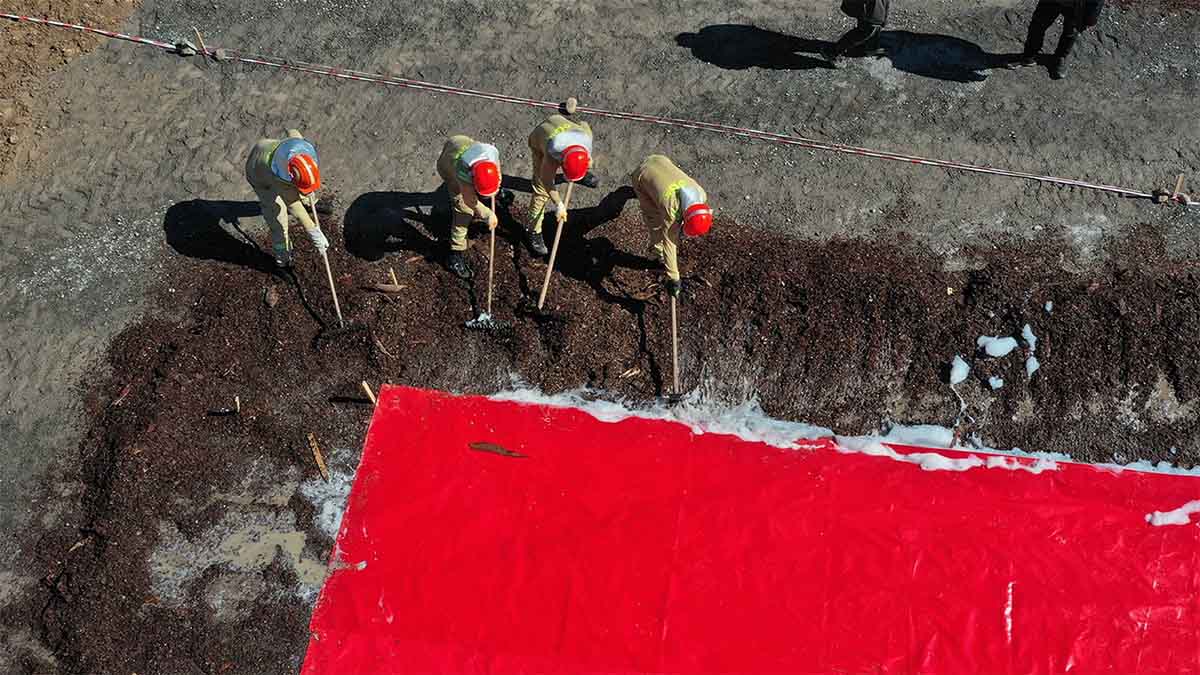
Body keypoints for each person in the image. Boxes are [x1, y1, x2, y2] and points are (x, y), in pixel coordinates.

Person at [630, 155, 713, 297]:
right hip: (641, 174)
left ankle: (653, 185)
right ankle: (657, 253)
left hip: (660, 160)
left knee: (667, 219)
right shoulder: (671, 209)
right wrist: (674, 277)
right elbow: (669, 241)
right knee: (654, 221)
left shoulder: (700, 194)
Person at [244, 129, 328, 267]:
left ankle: (309, 203)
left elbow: (293, 131)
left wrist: (308, 191)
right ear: (289, 176)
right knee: (277, 218)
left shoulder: (299, 148)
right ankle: (283, 258)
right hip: (260, 177)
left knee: (304, 190)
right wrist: (313, 231)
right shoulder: (279, 177)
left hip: (265, 146)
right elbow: (294, 207)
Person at [524, 113, 595, 256]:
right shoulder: (551, 153)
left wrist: (579, 167)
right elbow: (547, 181)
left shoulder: (585, 137)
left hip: (559, 121)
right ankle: (533, 231)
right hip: (540, 137)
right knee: (541, 192)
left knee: (589, 164)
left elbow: (584, 124)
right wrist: (558, 204)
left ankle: (577, 173)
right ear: (561, 163)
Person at [435, 135, 502, 279]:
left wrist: (494, 188)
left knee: (485, 193)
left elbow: (497, 174)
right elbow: (469, 199)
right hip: (448, 165)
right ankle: (454, 255)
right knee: (464, 211)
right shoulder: (462, 171)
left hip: (459, 141)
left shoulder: (491, 153)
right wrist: (487, 214)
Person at [1019, 0, 1105, 80]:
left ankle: (1060, 57)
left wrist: (1091, 17)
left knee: (1071, 32)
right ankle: (1029, 54)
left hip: (1078, 5)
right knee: (1037, 25)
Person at [822, 0, 890, 67]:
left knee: (871, 29)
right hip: (871, 14)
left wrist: (884, 17)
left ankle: (870, 46)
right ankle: (833, 52)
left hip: (874, 12)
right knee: (862, 33)